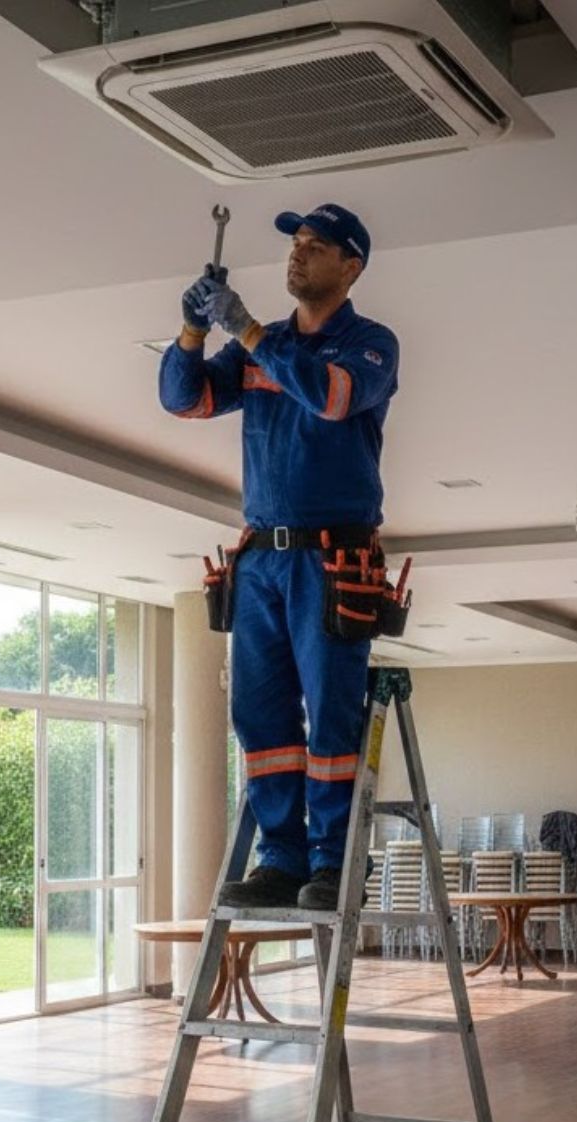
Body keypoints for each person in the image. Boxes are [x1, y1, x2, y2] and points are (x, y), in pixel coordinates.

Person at [159, 203, 400, 910]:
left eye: (315, 246)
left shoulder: (372, 344)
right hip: (262, 558)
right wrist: (194, 330)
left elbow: (329, 398)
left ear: (350, 266)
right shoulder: (258, 350)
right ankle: (283, 859)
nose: (297, 257)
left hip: (334, 561)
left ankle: (332, 862)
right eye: (294, 245)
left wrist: (249, 329)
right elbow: (185, 400)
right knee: (261, 718)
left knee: (330, 716)